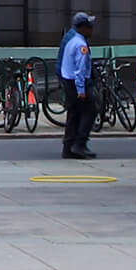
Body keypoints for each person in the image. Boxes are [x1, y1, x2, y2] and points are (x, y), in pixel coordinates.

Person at [59, 11, 97, 160]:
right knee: (89, 112)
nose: (91, 30)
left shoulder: (71, 40)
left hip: (68, 81)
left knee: (73, 115)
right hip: (76, 84)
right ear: (83, 28)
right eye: (89, 27)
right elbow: (80, 70)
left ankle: (68, 147)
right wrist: (81, 89)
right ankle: (79, 144)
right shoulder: (81, 45)